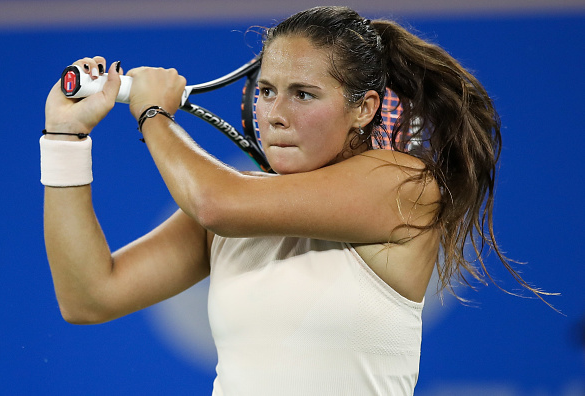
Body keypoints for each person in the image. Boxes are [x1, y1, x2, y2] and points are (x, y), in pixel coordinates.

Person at [41, 6, 550, 395]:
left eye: (303, 94)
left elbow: (216, 203)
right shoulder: (241, 202)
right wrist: (63, 139)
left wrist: (154, 113)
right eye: (265, 91)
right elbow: (89, 296)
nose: (275, 114)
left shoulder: (403, 184)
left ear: (364, 108)